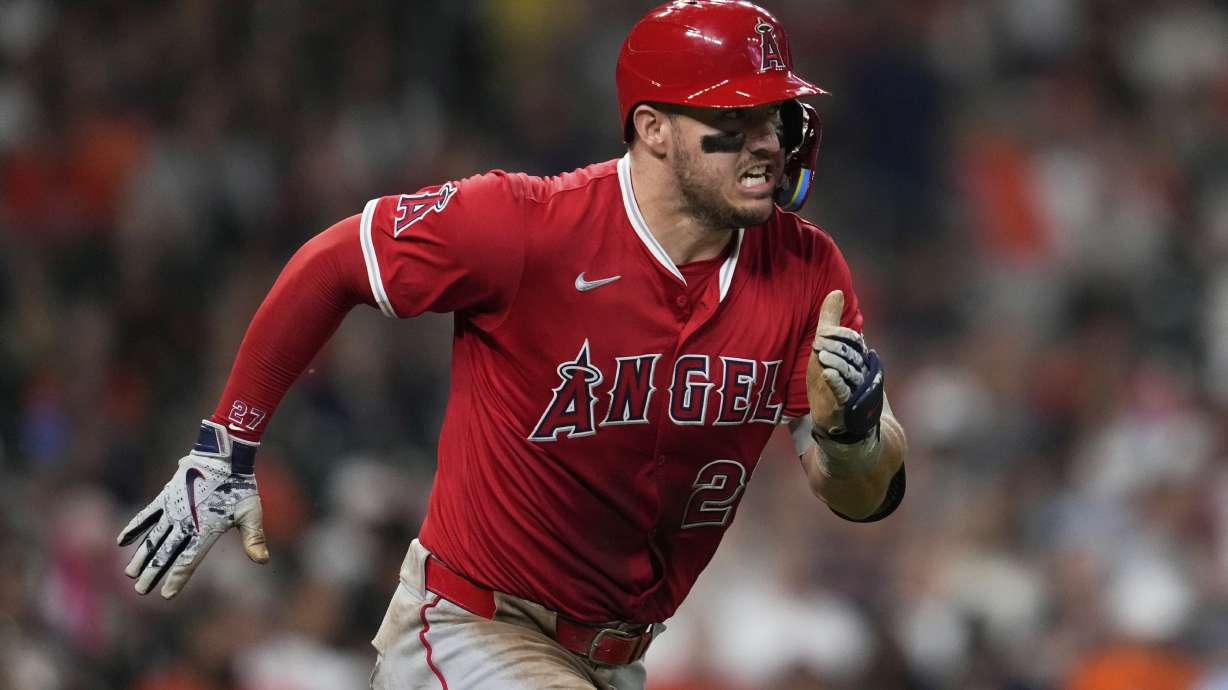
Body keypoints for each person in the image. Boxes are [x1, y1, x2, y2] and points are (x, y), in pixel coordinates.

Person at [116, 1, 908, 688]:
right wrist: (228, 443)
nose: (767, 142)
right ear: (654, 129)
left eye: (775, 116)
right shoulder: (526, 225)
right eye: (732, 121)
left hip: (617, 659)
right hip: (471, 627)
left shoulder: (809, 269)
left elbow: (862, 496)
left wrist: (851, 435)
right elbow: (336, 261)